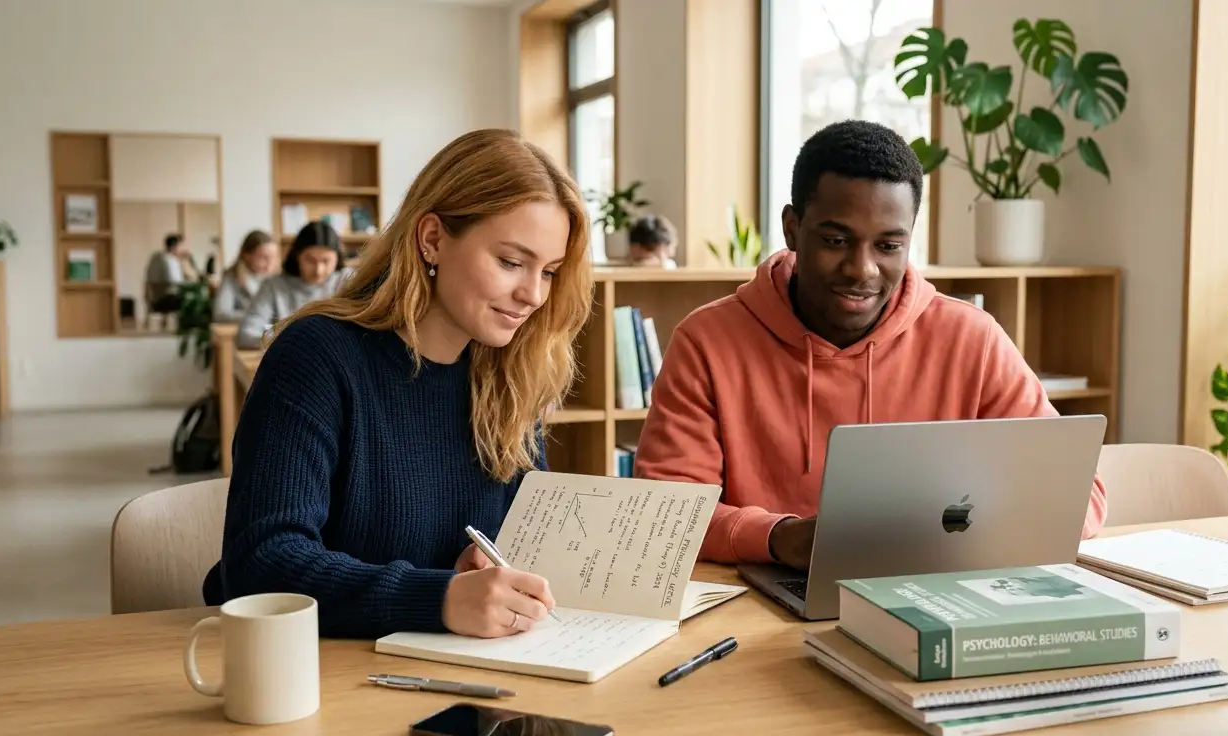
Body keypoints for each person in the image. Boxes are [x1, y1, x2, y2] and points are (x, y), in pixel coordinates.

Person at [632, 119, 1108, 569]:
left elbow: (1079, 498)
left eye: (888, 246)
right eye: (837, 240)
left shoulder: (972, 338)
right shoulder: (707, 341)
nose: (862, 270)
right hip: (761, 601)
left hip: (933, 585)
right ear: (792, 228)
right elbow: (666, 514)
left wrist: (956, 533)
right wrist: (780, 538)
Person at [201, 128, 594, 640]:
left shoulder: (510, 374)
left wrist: (492, 570)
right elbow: (262, 564)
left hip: (462, 668)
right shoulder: (316, 357)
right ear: (432, 239)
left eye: (549, 272)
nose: (533, 295)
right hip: (316, 676)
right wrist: (440, 597)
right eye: (511, 262)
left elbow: (519, 542)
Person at [234, 221, 350, 349]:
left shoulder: (347, 281)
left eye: (326, 261)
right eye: (310, 260)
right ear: (297, 256)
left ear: (337, 258)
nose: (319, 270)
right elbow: (246, 334)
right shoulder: (273, 286)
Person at [213, 230, 280, 323]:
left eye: (273, 257)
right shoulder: (232, 277)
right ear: (247, 256)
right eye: (264, 257)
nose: (269, 264)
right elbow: (221, 314)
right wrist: (258, 316)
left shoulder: (277, 279)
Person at [144, 233, 200, 314]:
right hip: (166, 299)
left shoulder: (157, 256)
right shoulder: (169, 260)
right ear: (176, 246)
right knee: (196, 300)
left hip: (154, 298)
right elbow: (176, 283)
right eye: (181, 246)